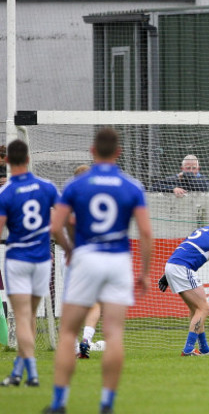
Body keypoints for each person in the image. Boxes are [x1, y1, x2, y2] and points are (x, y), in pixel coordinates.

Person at [45, 127, 152, 413]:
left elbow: (56, 226)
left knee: (68, 332)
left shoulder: (75, 185)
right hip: (118, 260)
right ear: (118, 153)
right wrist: (144, 272)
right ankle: (106, 403)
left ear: (92, 152)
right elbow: (145, 232)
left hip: (86, 257)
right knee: (115, 332)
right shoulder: (132, 186)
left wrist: (69, 250)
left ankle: (59, 402)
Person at [0, 140, 60, 388]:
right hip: (43, 258)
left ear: (6, 161)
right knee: (31, 315)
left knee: (22, 316)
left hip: (17, 259)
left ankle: (32, 373)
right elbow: (62, 219)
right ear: (28, 158)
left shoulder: (6, 191)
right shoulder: (47, 187)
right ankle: (17, 371)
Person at [158, 205, 209, 356]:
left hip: (173, 264)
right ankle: (188, 349)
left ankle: (204, 348)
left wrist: (166, 274)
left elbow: (185, 248)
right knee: (204, 308)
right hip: (182, 268)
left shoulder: (206, 229)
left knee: (196, 309)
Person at [67, 164, 104, 359]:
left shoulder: (71, 199)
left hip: (79, 254)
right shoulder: (101, 199)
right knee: (95, 303)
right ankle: (86, 339)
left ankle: (74, 344)